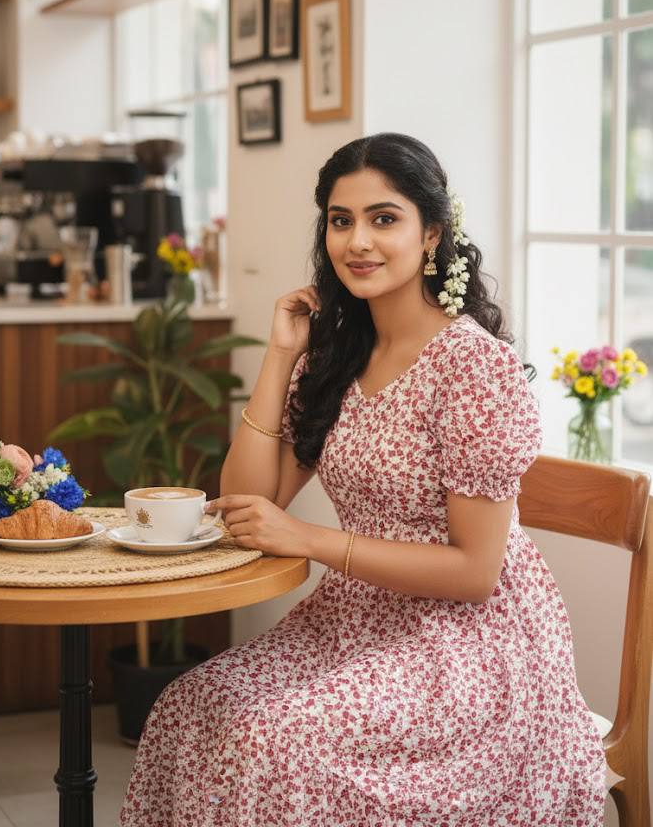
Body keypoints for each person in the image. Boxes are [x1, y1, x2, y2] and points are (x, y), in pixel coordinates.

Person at [119, 132, 607, 826]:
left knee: (270, 740)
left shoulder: (472, 368)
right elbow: (251, 503)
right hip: (351, 623)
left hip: (466, 648)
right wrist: (280, 356)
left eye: (384, 218)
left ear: (431, 232)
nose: (358, 241)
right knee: (187, 708)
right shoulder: (341, 357)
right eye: (341, 221)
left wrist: (309, 539)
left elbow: (474, 571)